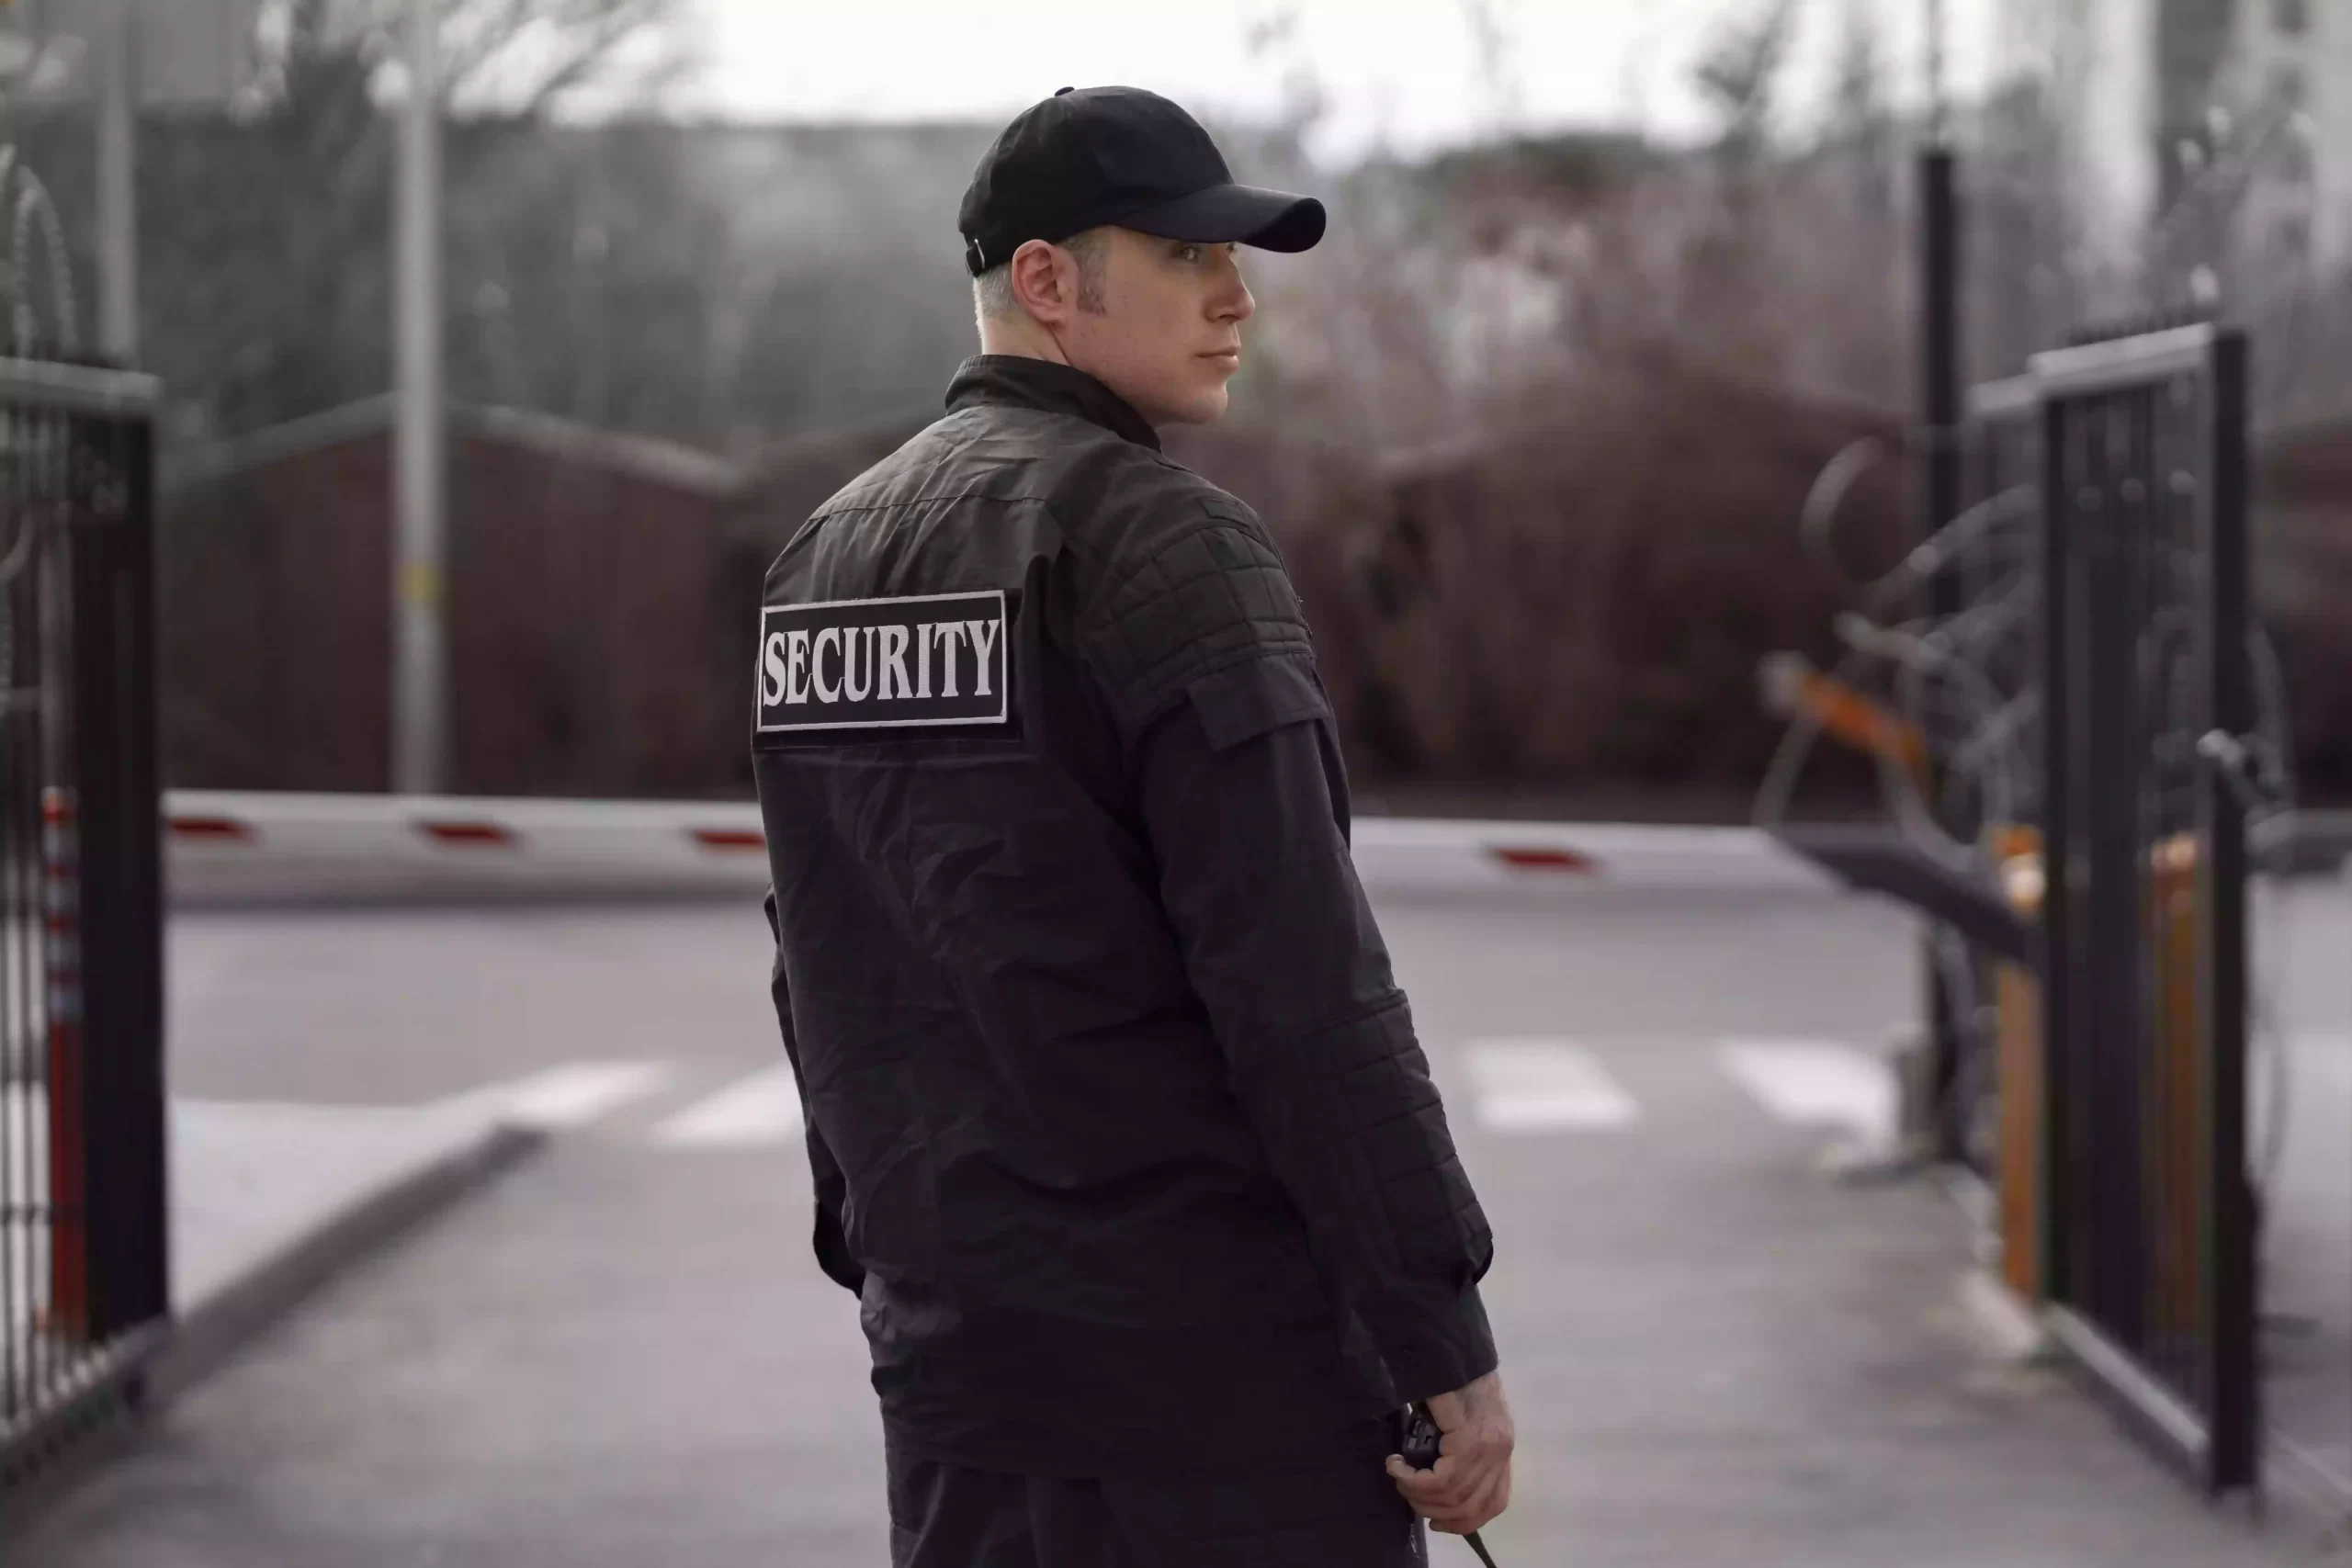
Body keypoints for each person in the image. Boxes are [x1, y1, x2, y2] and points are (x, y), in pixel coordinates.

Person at [752, 84, 1511, 1567]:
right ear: (1045, 282)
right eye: (1183, 257)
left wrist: (896, 1277)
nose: (1236, 300)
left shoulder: (818, 562)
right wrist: (1437, 1326)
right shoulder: (1164, 543)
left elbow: (815, 974)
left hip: (960, 1403)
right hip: (1220, 1418)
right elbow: (1303, 984)